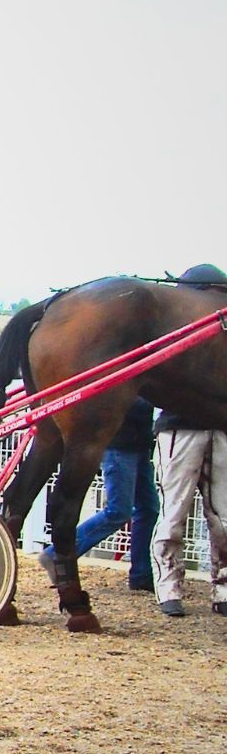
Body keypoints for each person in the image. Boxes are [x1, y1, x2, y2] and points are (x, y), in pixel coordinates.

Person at [149, 264, 227, 618]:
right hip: (180, 429)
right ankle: (168, 586)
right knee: (174, 513)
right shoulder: (173, 332)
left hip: (217, 430)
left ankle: (222, 587)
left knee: (224, 518)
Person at [36, 398, 157, 592]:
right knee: (118, 511)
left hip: (139, 443)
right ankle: (55, 555)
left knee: (148, 509)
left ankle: (141, 575)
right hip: (120, 444)